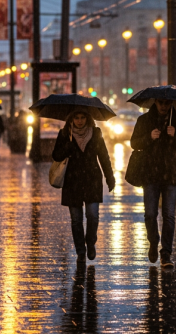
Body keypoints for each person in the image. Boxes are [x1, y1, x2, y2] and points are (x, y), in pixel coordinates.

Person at [129, 99, 176, 268]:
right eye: (161, 103)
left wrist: (175, 135)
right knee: (150, 214)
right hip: (150, 174)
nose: (164, 107)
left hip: (171, 175)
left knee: (169, 215)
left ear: (171, 103)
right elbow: (134, 142)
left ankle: (166, 254)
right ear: (155, 103)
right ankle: (153, 241)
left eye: (167, 103)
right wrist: (149, 137)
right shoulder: (144, 120)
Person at [51, 111, 114, 262]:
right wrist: (67, 146)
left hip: (92, 178)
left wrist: (109, 176)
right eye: (76, 118)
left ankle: (90, 242)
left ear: (88, 118)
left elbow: (103, 156)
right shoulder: (65, 133)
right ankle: (80, 250)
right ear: (71, 119)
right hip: (72, 181)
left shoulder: (96, 133)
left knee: (93, 215)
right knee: (76, 219)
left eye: (82, 117)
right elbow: (56, 155)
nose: (79, 121)